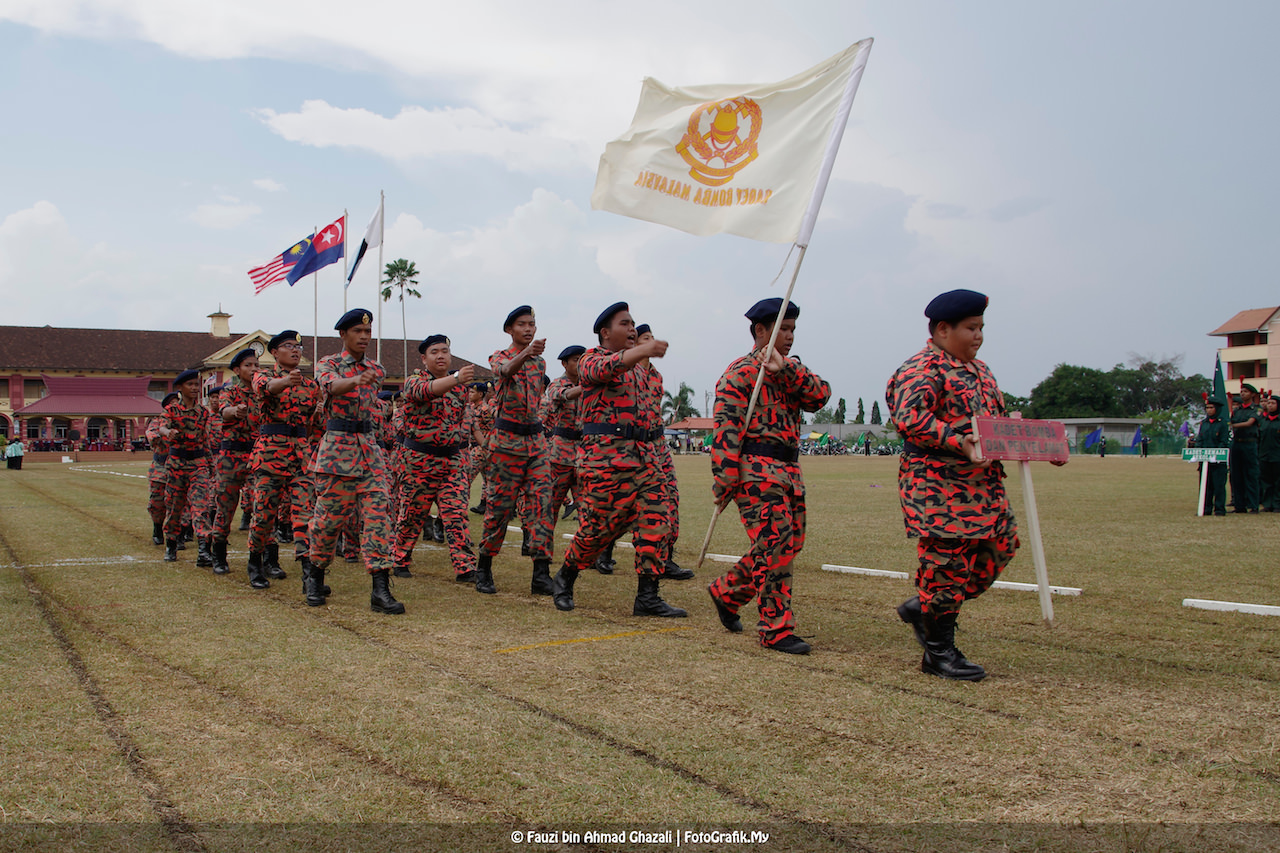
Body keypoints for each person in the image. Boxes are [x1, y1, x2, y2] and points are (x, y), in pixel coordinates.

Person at [886, 289, 1049, 681]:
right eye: (971, 328)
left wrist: (1042, 444)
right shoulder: (922, 369)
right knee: (946, 565)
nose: (978, 335)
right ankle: (939, 653)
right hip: (939, 484)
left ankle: (925, 607)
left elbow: (997, 424)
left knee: (1002, 545)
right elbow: (909, 417)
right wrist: (958, 440)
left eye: (981, 328)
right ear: (944, 329)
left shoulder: (982, 371)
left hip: (984, 485)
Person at [707, 298, 830, 655]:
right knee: (776, 544)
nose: (789, 336)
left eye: (792, 329)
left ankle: (728, 592)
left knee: (788, 544)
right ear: (760, 331)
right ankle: (775, 629)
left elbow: (820, 396)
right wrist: (725, 481)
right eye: (783, 329)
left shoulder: (792, 370)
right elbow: (725, 432)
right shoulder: (741, 373)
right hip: (755, 472)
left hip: (789, 471)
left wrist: (786, 370)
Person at [551, 302, 686, 618]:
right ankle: (566, 575)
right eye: (625, 324)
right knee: (596, 531)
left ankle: (648, 596)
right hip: (607, 463)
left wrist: (660, 460)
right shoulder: (590, 359)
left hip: (646, 463)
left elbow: (650, 419)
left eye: (633, 324)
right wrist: (642, 351)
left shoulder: (641, 372)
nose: (632, 329)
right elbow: (604, 370)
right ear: (605, 333)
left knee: (656, 523)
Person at [308, 309, 404, 614]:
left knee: (379, 518)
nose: (364, 336)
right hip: (338, 452)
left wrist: (364, 377)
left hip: (369, 452)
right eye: (358, 331)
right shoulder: (328, 364)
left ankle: (380, 589)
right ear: (343, 334)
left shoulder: (376, 369)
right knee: (328, 521)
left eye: (368, 331)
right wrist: (355, 380)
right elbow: (330, 387)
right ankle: (315, 576)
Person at [476, 306, 554, 596]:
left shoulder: (540, 363)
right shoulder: (499, 356)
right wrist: (526, 353)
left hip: (535, 442)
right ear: (510, 329)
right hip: (506, 443)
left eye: (532, 324)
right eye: (522, 324)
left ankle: (541, 574)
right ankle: (484, 566)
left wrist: (532, 355)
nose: (528, 329)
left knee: (542, 506)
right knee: (499, 508)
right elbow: (506, 371)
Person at [391, 334, 478, 581]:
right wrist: (456, 377)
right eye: (435, 352)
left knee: (457, 514)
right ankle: (399, 559)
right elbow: (425, 392)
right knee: (411, 515)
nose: (441, 356)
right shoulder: (414, 381)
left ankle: (465, 567)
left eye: (445, 351)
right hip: (419, 462)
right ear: (424, 358)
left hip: (451, 462)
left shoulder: (460, 389)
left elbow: (461, 419)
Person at [248, 331, 322, 592]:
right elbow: (266, 388)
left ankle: (309, 575)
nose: (295, 351)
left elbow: (312, 423)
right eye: (288, 346)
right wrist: (286, 381)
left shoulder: (311, 386)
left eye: (298, 347)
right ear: (275, 353)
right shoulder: (263, 375)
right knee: (264, 514)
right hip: (271, 455)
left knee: (305, 515)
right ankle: (256, 563)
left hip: (300, 456)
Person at [634, 323, 693, 580]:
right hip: (635, 446)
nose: (650, 341)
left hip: (658, 444)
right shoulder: (627, 372)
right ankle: (604, 551)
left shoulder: (656, 376)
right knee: (625, 505)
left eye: (652, 337)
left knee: (670, 499)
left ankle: (665, 557)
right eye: (644, 338)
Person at [209, 350, 259, 575]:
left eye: (256, 365)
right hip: (231, 456)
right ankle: (219, 556)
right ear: (237, 370)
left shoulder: (263, 392)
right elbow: (224, 410)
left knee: (263, 506)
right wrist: (235, 411)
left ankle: (266, 559)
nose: (254, 369)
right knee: (226, 508)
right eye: (248, 365)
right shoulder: (230, 391)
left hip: (257, 455)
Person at [159, 369, 211, 562]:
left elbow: (205, 439)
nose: (195, 388)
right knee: (175, 507)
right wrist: (168, 433)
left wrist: (210, 465)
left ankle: (204, 549)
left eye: (197, 385)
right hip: (177, 465)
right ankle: (171, 544)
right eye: (190, 385)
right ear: (180, 387)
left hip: (198, 464)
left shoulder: (203, 412)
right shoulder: (171, 410)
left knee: (201, 505)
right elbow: (162, 426)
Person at [544, 344, 586, 561]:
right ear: (564, 363)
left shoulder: (590, 384)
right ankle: (543, 554)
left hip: (584, 454)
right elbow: (564, 395)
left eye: (583, 360)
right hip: (560, 454)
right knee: (550, 507)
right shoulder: (556, 384)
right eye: (576, 360)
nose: (580, 364)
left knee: (587, 509)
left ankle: (590, 556)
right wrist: (588, 387)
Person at [1228, 383, 1261, 513]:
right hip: (1237, 443)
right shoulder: (1237, 410)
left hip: (1249, 443)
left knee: (1251, 475)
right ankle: (1239, 505)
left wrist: (1232, 426)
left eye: (1246, 391)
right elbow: (1230, 421)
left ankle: (1253, 505)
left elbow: (1249, 423)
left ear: (1252, 394)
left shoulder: (1256, 409)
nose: (1242, 394)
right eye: (1241, 391)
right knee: (1236, 475)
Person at [1196, 395, 1230, 516]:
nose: (1209, 410)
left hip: (1218, 461)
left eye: (1211, 407)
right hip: (1205, 460)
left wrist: (1216, 454)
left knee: (1219, 485)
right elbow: (1200, 439)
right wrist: (1198, 450)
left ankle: (1219, 509)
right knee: (1206, 486)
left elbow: (1223, 441)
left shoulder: (1222, 424)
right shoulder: (1204, 423)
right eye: (1207, 408)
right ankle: (1206, 508)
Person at [1257, 392, 1279, 512]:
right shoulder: (1263, 421)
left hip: (1277, 456)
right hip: (1264, 456)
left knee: (1278, 481)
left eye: (1273, 403)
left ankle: (1277, 504)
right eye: (1269, 403)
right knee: (1266, 481)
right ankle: (1267, 504)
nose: (1270, 405)